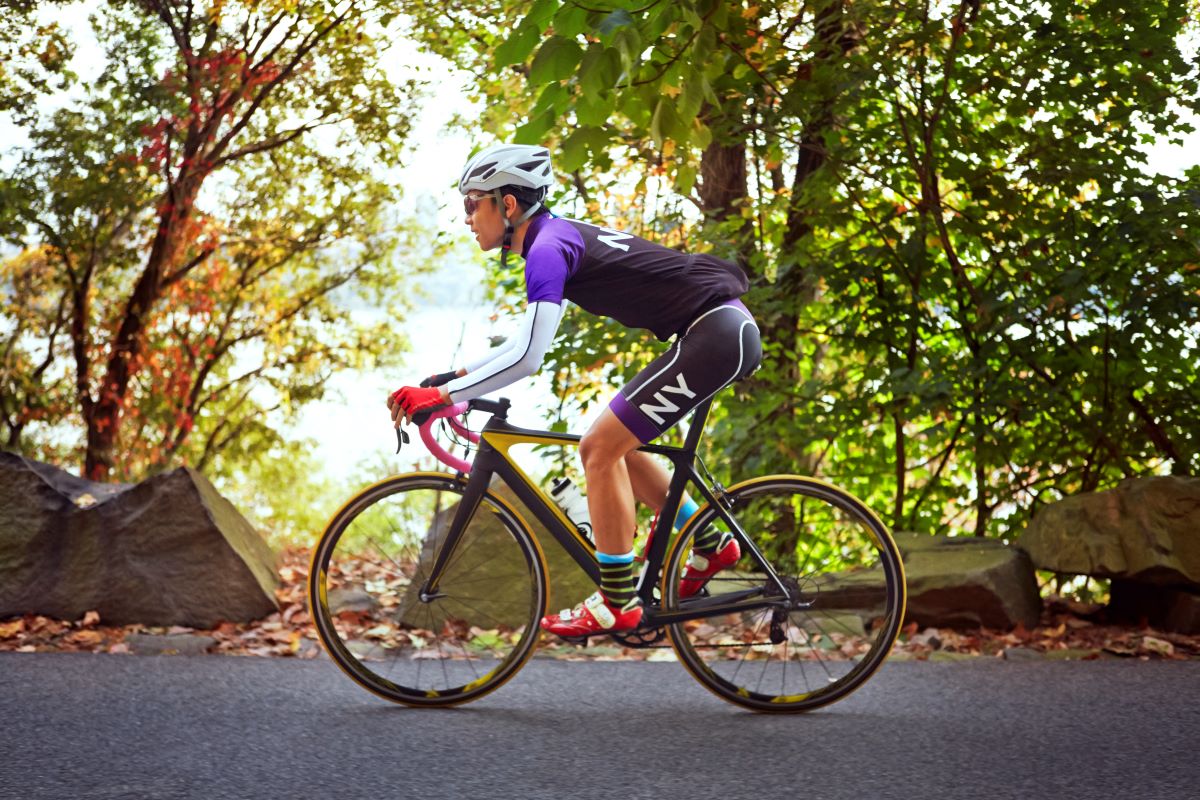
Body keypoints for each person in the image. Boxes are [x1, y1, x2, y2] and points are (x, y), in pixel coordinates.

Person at [387, 143, 762, 638]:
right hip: (717, 331)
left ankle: (616, 602)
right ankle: (711, 543)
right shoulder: (552, 239)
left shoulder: (546, 249)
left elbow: (528, 359)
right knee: (616, 443)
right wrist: (452, 381)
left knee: (598, 449)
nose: (466, 217)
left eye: (471, 203)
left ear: (509, 204)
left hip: (715, 334)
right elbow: (524, 341)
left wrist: (440, 400)